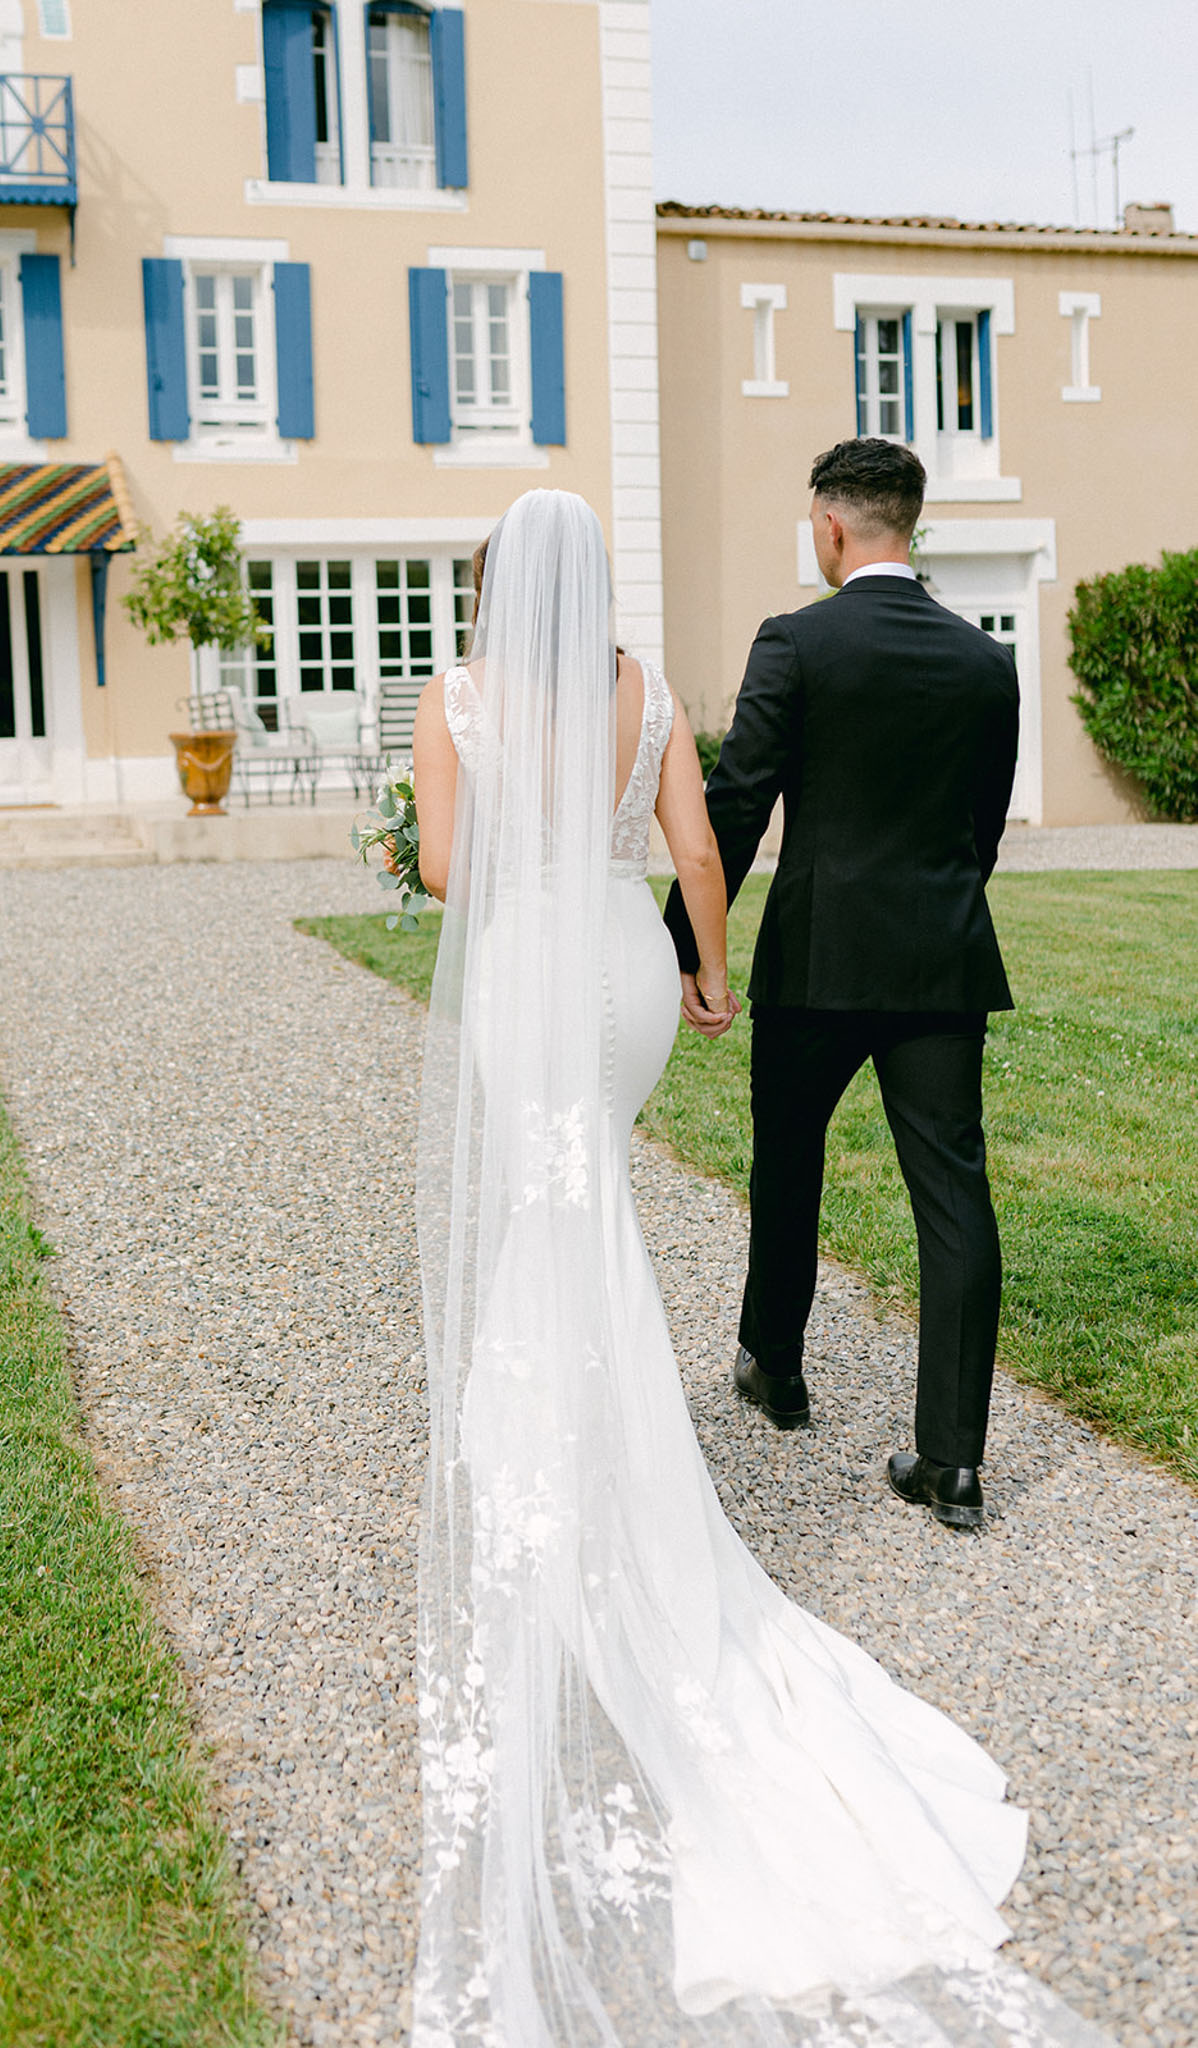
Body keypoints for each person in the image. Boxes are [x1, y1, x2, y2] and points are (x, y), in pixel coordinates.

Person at [406, 488, 1101, 2047]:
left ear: (490, 586)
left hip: (530, 963)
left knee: (545, 1194)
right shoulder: (643, 685)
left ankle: (555, 1423)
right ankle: (656, 1430)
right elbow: (699, 849)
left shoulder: (453, 696)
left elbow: (447, 875)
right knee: (607, 1198)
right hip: (624, 969)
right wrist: (701, 968)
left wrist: (494, 853)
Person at [665, 438, 1019, 1532]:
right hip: (940, 961)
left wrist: (681, 943)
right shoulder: (984, 659)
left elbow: (732, 806)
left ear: (830, 525)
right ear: (908, 525)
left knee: (788, 1155)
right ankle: (954, 1462)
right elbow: (982, 827)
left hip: (816, 961)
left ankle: (776, 1367)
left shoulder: (797, 642)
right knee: (952, 1192)